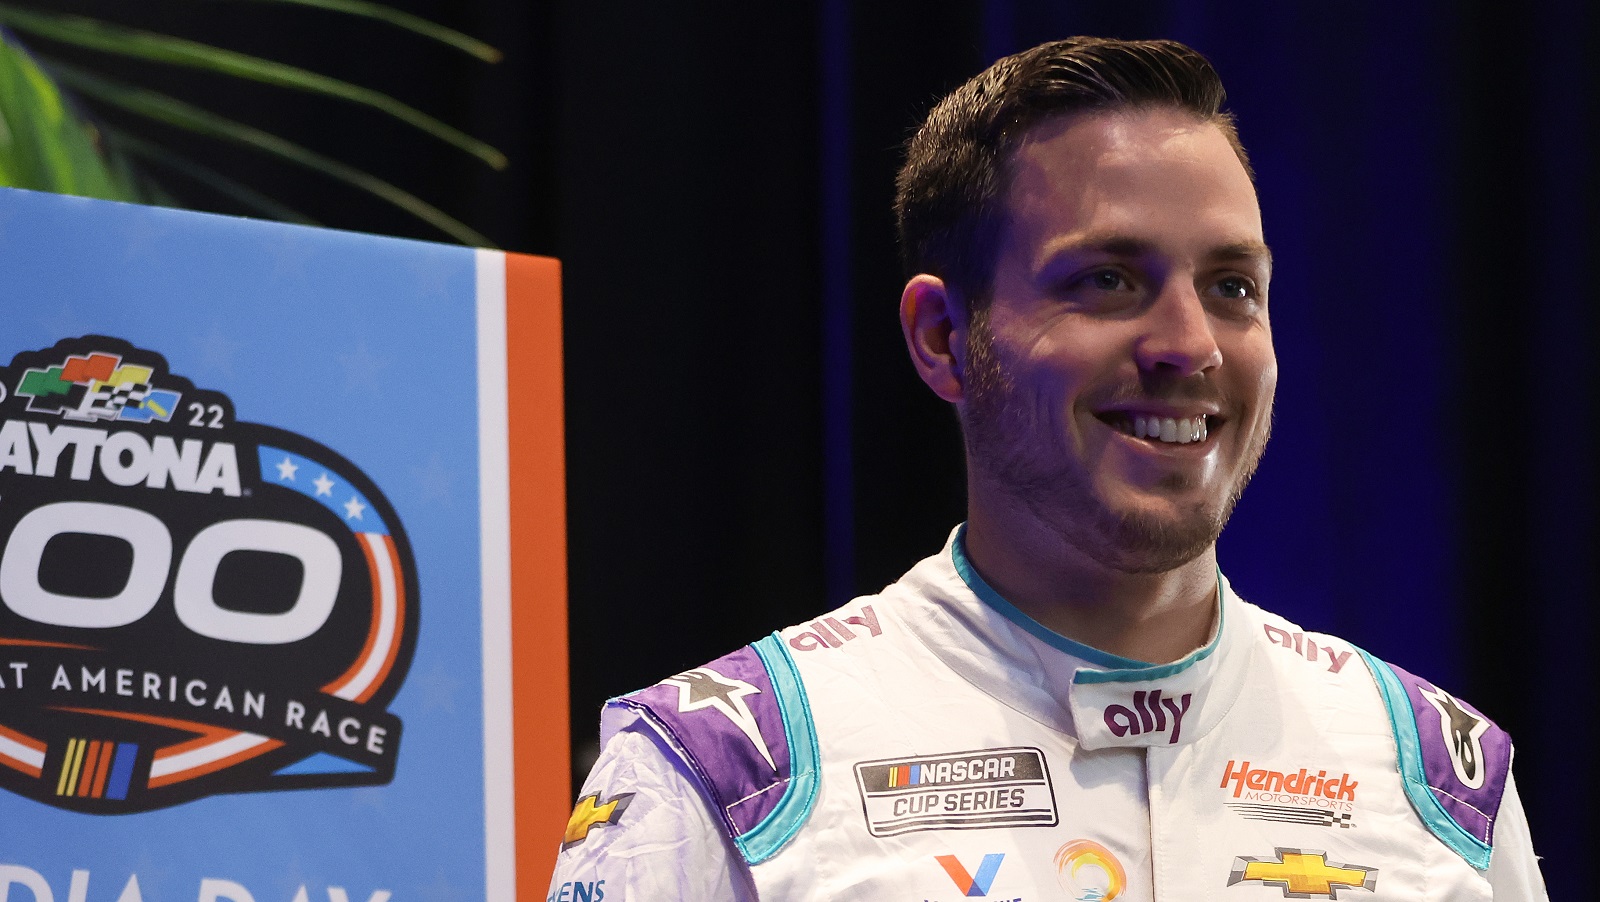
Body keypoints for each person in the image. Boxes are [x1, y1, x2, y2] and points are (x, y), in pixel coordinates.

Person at [547, 37, 1547, 901]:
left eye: (1231, 285)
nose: (1189, 344)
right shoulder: (729, 769)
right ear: (942, 335)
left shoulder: (1438, 776)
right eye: (1108, 279)